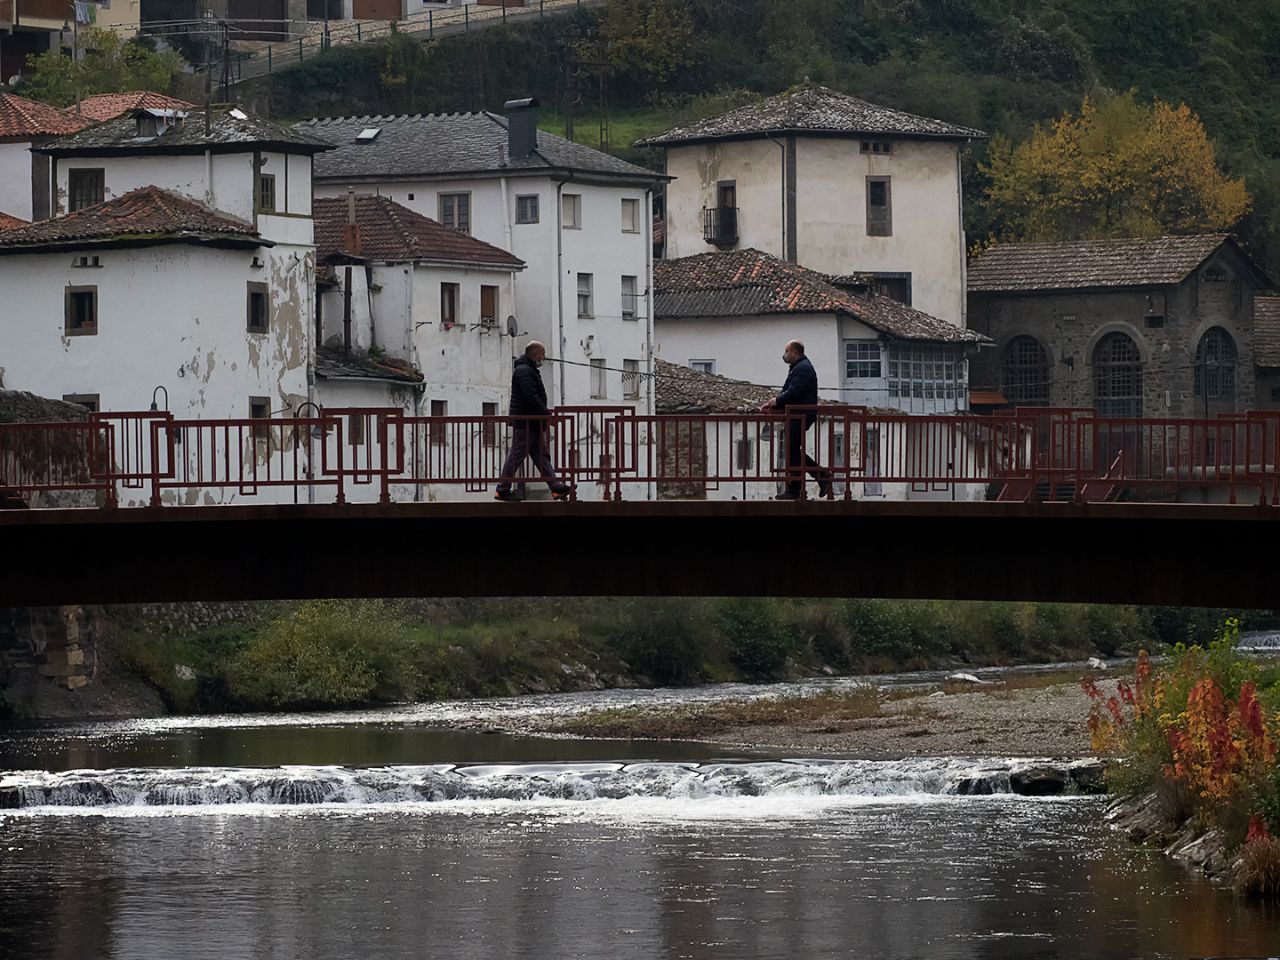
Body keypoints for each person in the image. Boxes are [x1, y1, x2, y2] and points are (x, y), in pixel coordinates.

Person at [495, 341, 572, 501]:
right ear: (535, 354)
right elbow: (531, 397)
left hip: (532, 422)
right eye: (542, 354)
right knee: (517, 454)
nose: (543, 358)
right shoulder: (525, 371)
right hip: (526, 422)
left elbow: (532, 397)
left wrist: (543, 416)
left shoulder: (527, 370)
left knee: (540, 457)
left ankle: (555, 487)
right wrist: (546, 415)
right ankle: (502, 489)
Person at [760, 340, 832, 500]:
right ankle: (811, 481)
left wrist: (776, 401)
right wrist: (774, 403)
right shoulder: (798, 367)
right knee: (792, 451)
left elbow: (793, 392)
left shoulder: (802, 368)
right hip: (797, 414)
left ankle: (810, 481)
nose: (784, 355)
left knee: (792, 451)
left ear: (795, 352)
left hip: (800, 414)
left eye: (786, 351)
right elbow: (788, 391)